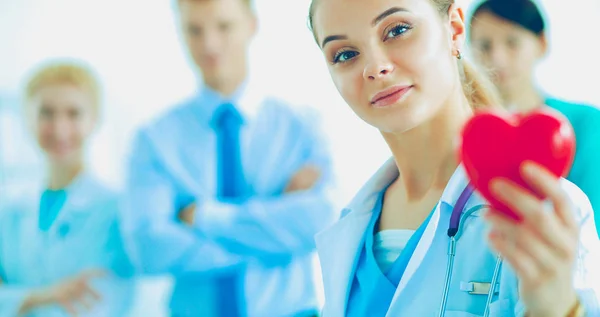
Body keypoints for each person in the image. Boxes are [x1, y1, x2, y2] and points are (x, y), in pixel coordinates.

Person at [308, 0, 600, 315]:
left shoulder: (548, 214)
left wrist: (558, 309)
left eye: (397, 30)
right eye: (345, 54)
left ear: (455, 30)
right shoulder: (352, 227)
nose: (374, 67)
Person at [121, 0, 335, 316]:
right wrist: (273, 238)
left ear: (251, 24)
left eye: (223, 26)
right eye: (194, 30)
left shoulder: (301, 127)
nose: (209, 44)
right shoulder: (154, 139)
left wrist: (205, 218)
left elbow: (319, 222)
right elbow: (148, 248)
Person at [0, 60, 135, 316]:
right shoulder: (9, 212)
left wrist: (16, 301)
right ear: (27, 119)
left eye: (74, 114)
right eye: (46, 113)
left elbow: (96, 305)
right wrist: (44, 295)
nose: (60, 128)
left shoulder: (117, 209)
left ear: (95, 120)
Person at [468, 0, 600, 235]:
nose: (497, 59)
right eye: (485, 46)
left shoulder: (586, 123)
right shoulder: (468, 136)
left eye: (512, 43)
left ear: (542, 43)